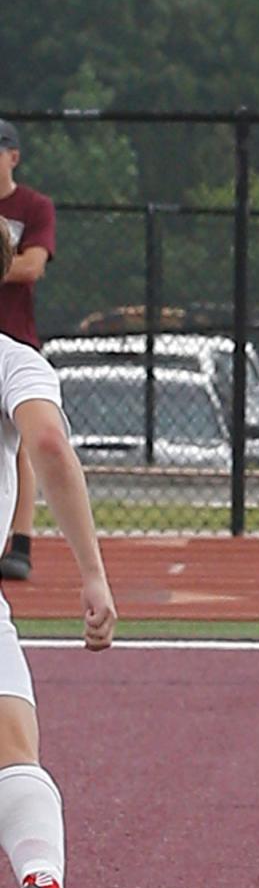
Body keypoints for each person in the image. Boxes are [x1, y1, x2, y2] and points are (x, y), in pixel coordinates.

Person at [0, 219, 119, 888]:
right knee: (14, 749)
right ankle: (43, 880)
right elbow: (50, 447)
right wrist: (93, 575)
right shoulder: (15, 363)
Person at [0, 119, 57, 582]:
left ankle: (19, 538)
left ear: (13, 156)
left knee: (22, 439)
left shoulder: (33, 206)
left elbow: (32, 265)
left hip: (14, 333)